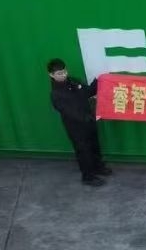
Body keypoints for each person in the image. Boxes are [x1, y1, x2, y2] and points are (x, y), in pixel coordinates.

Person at [48, 58, 112, 187]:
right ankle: (88, 177)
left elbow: (88, 92)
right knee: (84, 151)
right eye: (59, 73)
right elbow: (69, 112)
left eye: (64, 71)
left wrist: (99, 80)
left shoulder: (73, 81)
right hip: (76, 128)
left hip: (89, 121)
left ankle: (98, 167)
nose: (63, 75)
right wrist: (85, 118)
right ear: (51, 75)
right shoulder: (56, 94)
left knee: (94, 146)